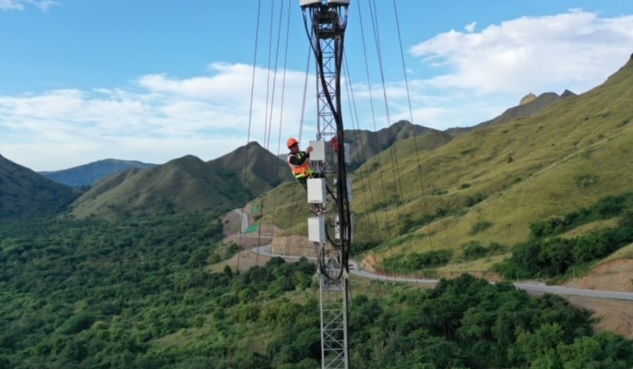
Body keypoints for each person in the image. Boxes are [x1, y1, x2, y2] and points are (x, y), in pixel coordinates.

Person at [286, 138, 324, 214]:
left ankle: (323, 200)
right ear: (290, 148)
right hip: (301, 177)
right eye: (294, 146)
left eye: (296, 145)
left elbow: (309, 156)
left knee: (321, 178)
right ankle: (317, 207)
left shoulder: (300, 153)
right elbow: (298, 162)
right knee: (311, 190)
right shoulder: (291, 157)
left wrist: (314, 153)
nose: (296, 147)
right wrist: (306, 153)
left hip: (309, 174)